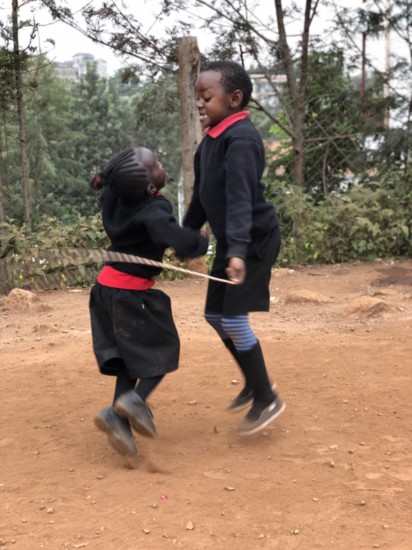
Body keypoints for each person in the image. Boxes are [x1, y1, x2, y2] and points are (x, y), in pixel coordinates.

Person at [183, 60, 285, 435]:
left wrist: (238, 251)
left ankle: (266, 397)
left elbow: (240, 199)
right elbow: (202, 199)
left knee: (233, 317)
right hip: (234, 241)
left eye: (206, 97)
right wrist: (184, 236)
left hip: (253, 241)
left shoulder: (241, 140)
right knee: (214, 315)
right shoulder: (211, 140)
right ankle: (254, 382)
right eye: (196, 97)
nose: (199, 104)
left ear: (235, 98)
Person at [89, 146, 208, 456]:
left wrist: (105, 177)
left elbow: (113, 178)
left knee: (130, 360)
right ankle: (133, 401)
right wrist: (198, 243)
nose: (160, 162)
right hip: (131, 293)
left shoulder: (113, 195)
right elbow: (171, 235)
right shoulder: (153, 209)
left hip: (106, 289)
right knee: (163, 348)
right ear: (151, 188)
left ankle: (118, 421)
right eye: (156, 164)